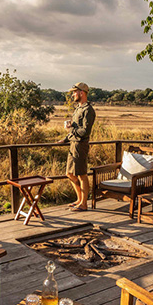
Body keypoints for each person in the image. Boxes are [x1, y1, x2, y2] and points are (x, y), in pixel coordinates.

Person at [57, 82, 96, 211]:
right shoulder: (78, 109)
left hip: (80, 145)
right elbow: (74, 129)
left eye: (74, 92)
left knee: (82, 174)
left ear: (81, 93)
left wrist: (71, 128)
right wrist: (64, 139)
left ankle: (84, 204)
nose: (73, 94)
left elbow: (85, 131)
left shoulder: (88, 110)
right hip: (73, 144)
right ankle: (79, 199)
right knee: (69, 173)